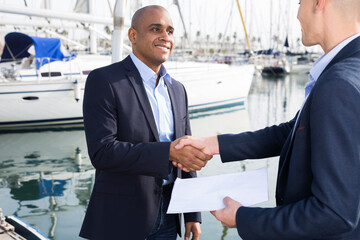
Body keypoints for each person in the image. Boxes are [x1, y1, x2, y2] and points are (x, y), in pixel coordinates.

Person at [175, 0, 360, 239]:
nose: (297, 14)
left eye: (300, 2)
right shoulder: (350, 69)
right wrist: (214, 144)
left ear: (319, 3)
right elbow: (294, 131)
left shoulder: (338, 83)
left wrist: (242, 218)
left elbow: (335, 213)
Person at [79, 5, 211, 240]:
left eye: (170, 31)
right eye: (155, 29)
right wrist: (167, 152)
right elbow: (102, 152)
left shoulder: (178, 89)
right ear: (133, 36)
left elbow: (186, 152)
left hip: (170, 216)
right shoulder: (105, 80)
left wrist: (192, 214)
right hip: (121, 218)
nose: (165, 37)